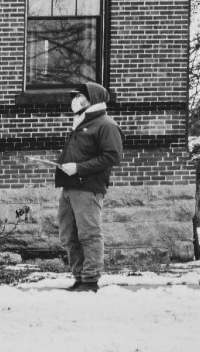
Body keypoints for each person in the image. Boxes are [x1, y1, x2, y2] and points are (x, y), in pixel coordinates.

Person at [55, 81, 123, 292]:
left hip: (88, 188)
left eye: (81, 95)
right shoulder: (81, 122)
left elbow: (113, 156)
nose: (76, 99)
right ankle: (79, 277)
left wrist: (79, 168)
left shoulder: (106, 124)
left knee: (89, 234)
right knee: (69, 235)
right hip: (70, 187)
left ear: (93, 98)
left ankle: (90, 279)